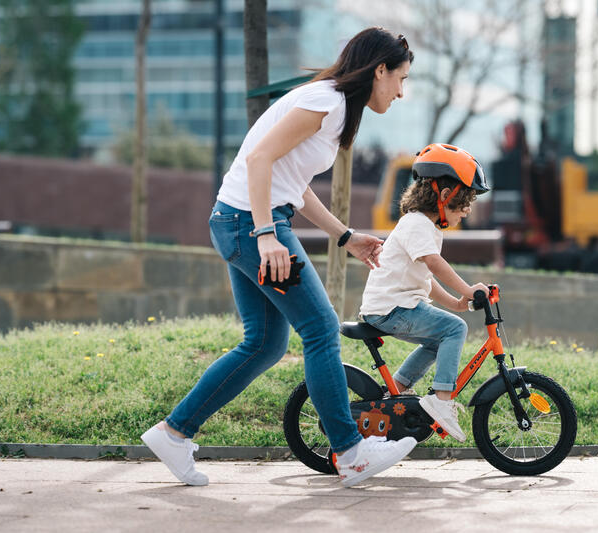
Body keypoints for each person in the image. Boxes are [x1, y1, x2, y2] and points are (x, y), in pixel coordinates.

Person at [141, 27, 417, 488]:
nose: (401, 92)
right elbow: (260, 159)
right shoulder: (327, 102)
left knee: (265, 343)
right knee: (321, 328)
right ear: (379, 69)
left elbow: (294, 181)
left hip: (238, 221)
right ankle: (349, 452)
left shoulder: (331, 105)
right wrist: (267, 235)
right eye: (400, 79)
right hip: (251, 225)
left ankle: (174, 432)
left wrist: (344, 235)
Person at [359, 143, 490, 442]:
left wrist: (457, 302)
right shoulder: (417, 224)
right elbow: (434, 263)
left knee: (439, 339)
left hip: (393, 306)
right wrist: (468, 289)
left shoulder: (425, 227)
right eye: (466, 201)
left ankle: (396, 391)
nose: (468, 210)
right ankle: (441, 401)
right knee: (454, 329)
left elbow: (426, 277)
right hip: (392, 308)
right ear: (445, 197)